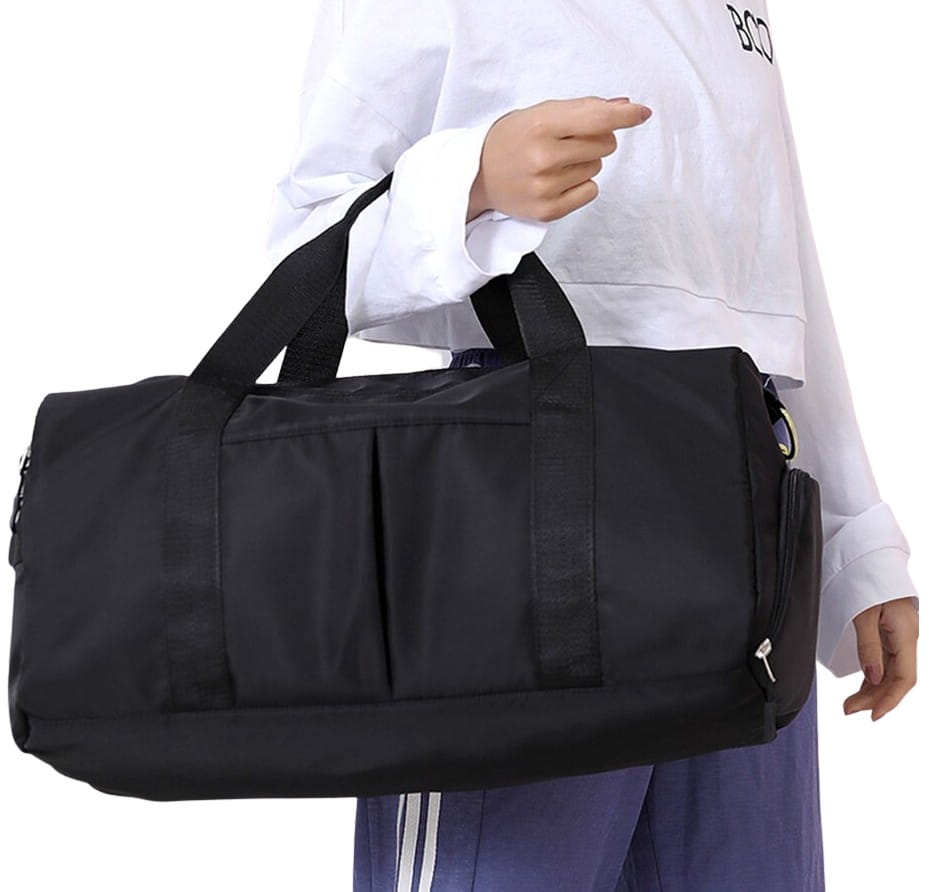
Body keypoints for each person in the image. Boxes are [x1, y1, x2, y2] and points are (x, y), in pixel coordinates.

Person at [264, 2, 921, 889]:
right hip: (519, 494)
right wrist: (470, 182)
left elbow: (772, 278)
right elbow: (304, 243)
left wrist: (852, 539)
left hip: (745, 515)